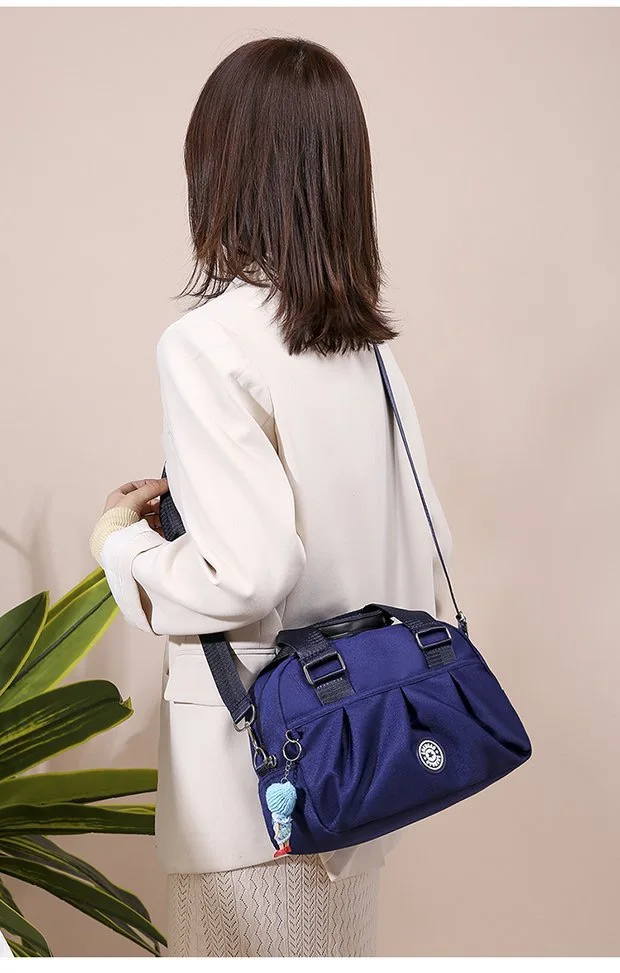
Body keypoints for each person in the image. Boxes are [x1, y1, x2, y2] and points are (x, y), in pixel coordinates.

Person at [88, 36, 454, 958]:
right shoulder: (367, 353)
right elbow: (419, 546)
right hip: (366, 768)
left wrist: (123, 544)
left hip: (258, 781)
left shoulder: (208, 343)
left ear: (222, 168)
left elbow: (250, 572)